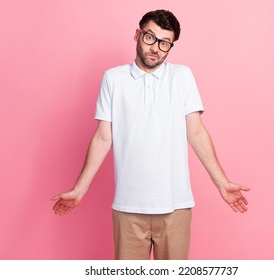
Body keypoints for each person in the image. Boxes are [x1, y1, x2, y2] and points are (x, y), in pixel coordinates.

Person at [51, 9, 250, 260]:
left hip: (176, 205)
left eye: (165, 43)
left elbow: (196, 132)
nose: (156, 48)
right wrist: (79, 189)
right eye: (150, 38)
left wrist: (222, 182)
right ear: (137, 35)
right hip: (128, 207)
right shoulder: (113, 79)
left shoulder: (182, 76)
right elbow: (103, 137)